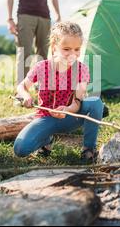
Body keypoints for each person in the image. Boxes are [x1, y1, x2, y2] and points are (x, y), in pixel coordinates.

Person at [13, 22, 103, 162]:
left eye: (77, 49)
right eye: (66, 49)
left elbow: (77, 102)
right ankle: (46, 140)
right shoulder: (41, 67)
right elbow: (21, 86)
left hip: (71, 115)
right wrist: (26, 95)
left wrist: (66, 110)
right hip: (46, 117)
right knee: (20, 149)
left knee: (95, 103)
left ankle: (88, 149)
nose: (73, 55)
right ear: (54, 47)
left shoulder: (82, 69)